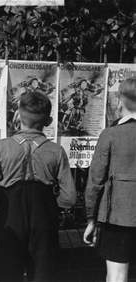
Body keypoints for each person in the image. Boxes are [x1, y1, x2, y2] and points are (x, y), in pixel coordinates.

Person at [0, 91, 76, 282]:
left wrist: (2, 203)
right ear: (48, 121)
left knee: (7, 272)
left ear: (18, 115)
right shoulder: (56, 151)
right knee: (43, 271)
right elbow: (69, 197)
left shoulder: (2, 147)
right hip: (43, 215)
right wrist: (50, 206)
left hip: (11, 215)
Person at [83, 78, 136, 282]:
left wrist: (91, 218)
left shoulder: (110, 134)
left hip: (117, 217)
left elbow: (96, 181)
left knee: (116, 276)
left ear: (120, 101)